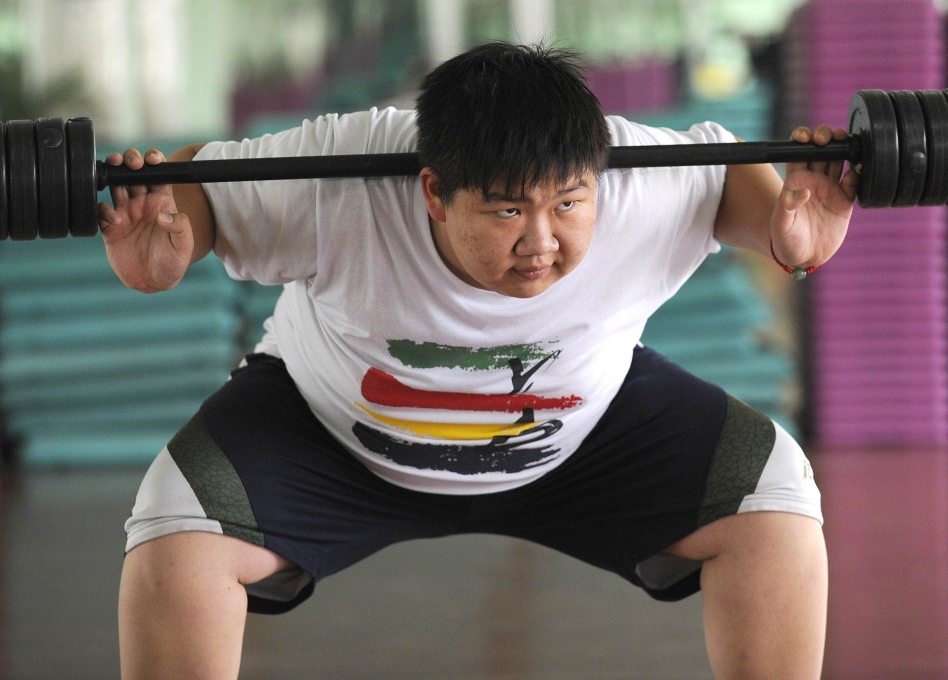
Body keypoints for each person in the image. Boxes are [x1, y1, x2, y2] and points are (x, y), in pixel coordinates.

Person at [101, 42, 855, 680]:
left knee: (772, 500)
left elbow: (725, 177)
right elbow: (202, 182)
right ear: (433, 190)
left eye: (567, 204)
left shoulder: (633, 177)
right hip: (328, 433)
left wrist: (789, 240)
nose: (542, 242)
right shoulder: (342, 173)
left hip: (583, 434)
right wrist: (169, 245)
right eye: (505, 211)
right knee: (177, 525)